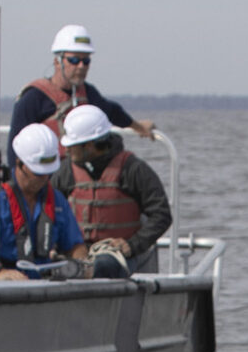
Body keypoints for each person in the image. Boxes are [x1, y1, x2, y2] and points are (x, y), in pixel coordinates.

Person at [0, 123, 122, 281]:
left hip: (43, 280)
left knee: (107, 266)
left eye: (48, 174)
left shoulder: (57, 201)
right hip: (3, 281)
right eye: (37, 173)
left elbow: (74, 246)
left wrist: (81, 266)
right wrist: (0, 274)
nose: (44, 179)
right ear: (19, 163)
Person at [55, 104, 172, 272]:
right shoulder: (65, 171)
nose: (66, 149)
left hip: (120, 257)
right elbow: (47, 210)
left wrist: (132, 245)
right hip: (76, 253)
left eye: (72, 144)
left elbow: (161, 215)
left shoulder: (133, 169)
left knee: (104, 265)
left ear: (89, 145)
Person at [8, 24, 156, 152]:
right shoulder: (33, 99)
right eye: (74, 60)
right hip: (48, 178)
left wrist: (138, 127)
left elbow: (112, 111)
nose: (81, 66)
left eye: (86, 61)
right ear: (57, 62)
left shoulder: (89, 94)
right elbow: (15, 148)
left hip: (80, 177)